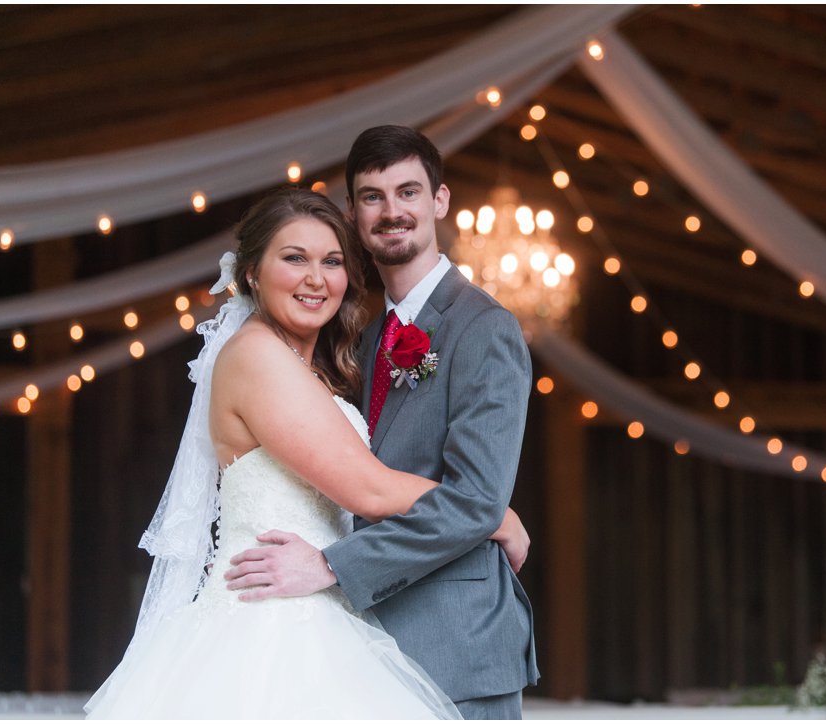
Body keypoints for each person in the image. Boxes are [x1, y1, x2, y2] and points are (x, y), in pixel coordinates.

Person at [84, 188, 529, 719]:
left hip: (323, 611)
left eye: (333, 261)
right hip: (271, 629)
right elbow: (369, 489)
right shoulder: (257, 357)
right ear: (251, 273)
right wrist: (492, 513)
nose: (316, 278)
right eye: (294, 258)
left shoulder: (317, 366)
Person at [224, 126, 539, 719]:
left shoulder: (484, 328)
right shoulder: (359, 342)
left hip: (455, 640)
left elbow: (474, 500)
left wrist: (328, 565)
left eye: (408, 192)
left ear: (439, 201)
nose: (392, 211)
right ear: (353, 211)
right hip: (360, 643)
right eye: (372, 196)